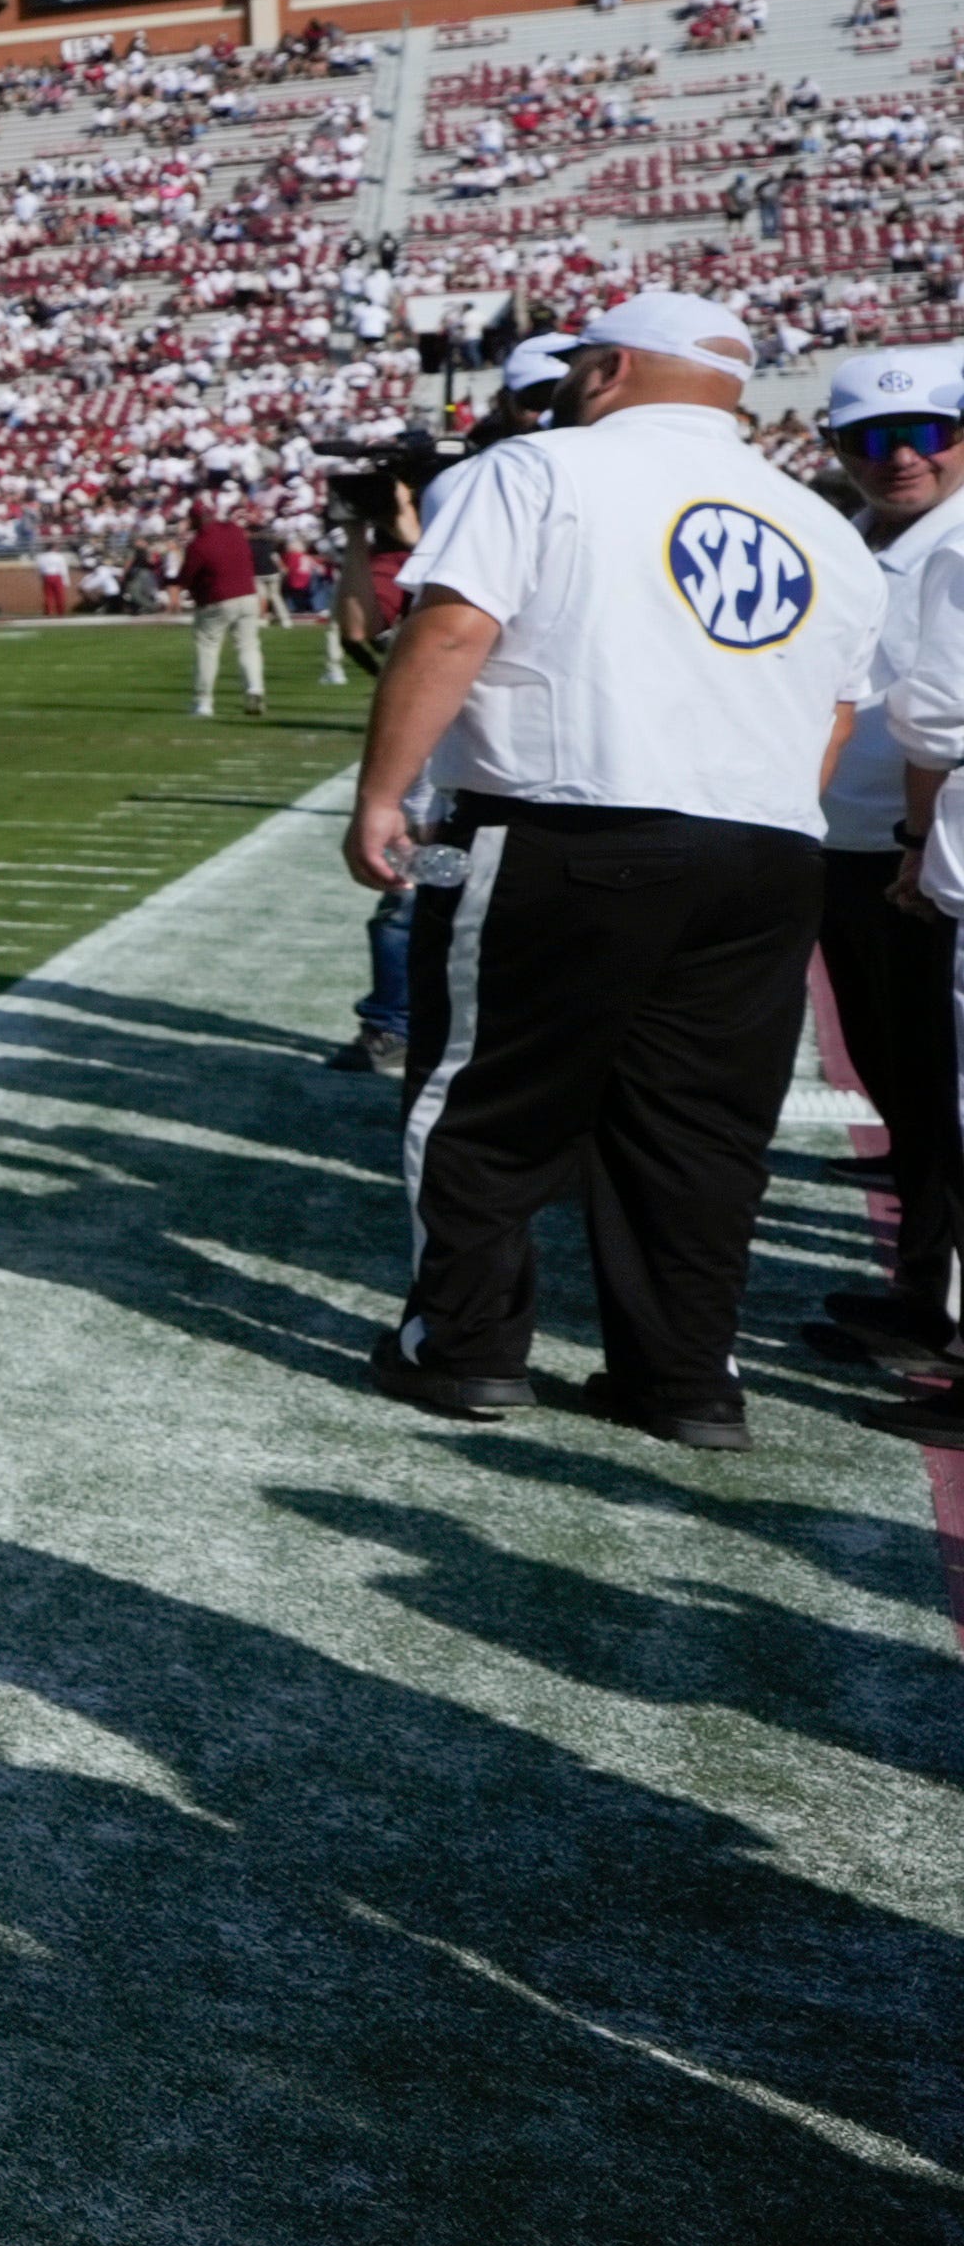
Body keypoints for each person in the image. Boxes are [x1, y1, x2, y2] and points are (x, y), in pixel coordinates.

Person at [351, 291, 860, 1447]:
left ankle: (467, 1348)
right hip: (769, 847)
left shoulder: (541, 468)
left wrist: (385, 790)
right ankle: (683, 1380)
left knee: (486, 1102)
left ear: (612, 368)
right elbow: (834, 715)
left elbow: (451, 625)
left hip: (570, 828)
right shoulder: (818, 520)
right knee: (698, 1131)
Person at [805, 346, 964, 1369]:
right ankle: (925, 1283)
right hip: (857, 850)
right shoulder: (852, 536)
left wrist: (916, 846)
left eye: (926, 433)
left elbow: (939, 720)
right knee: (898, 1082)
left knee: (939, 1092)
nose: (899, 456)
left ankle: (940, 1307)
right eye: (869, 439)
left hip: (927, 862)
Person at [178, 482, 276, 718]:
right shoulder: (233, 530)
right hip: (248, 595)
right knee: (249, 646)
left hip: (217, 599)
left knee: (208, 648)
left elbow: (186, 577)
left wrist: (194, 591)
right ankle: (254, 687)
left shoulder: (199, 544)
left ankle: (204, 702)